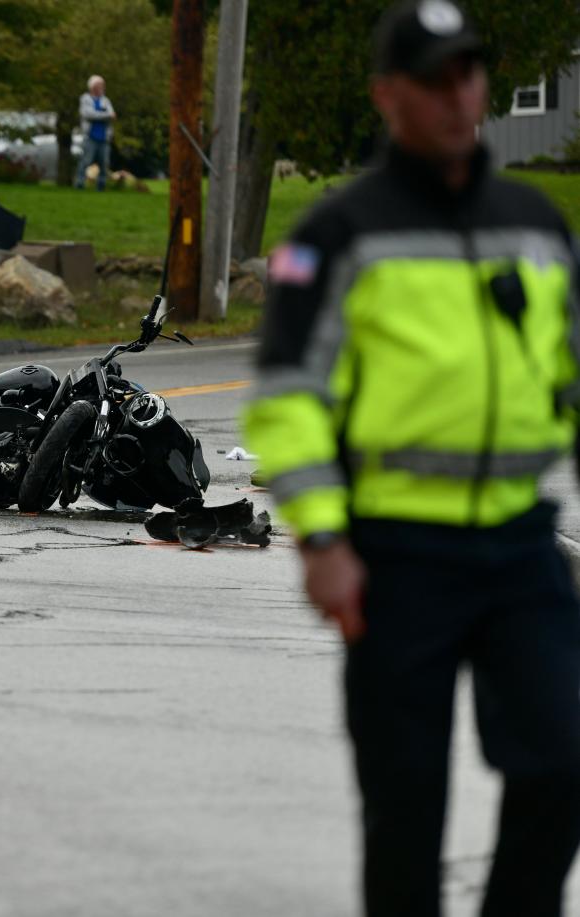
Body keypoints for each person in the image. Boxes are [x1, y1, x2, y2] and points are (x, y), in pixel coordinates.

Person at [243, 1, 580, 914]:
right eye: (432, 79)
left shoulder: (537, 227)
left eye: (467, 73)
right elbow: (287, 399)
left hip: (521, 549)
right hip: (395, 559)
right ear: (388, 96)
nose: (456, 95)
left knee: (562, 762)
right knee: (407, 807)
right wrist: (322, 539)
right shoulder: (339, 234)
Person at [74, 75, 116, 190]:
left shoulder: (105, 100)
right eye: (100, 85)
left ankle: (101, 186)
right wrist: (105, 115)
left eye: (103, 85)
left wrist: (100, 115)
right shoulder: (85, 99)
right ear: (93, 87)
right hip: (90, 136)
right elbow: (88, 115)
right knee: (85, 161)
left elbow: (113, 115)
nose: (102, 87)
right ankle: (79, 183)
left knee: (104, 163)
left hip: (104, 137)